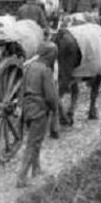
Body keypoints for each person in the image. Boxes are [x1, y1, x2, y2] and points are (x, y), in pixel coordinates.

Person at [17, 42, 60, 188]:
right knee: (33, 143)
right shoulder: (45, 71)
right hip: (39, 110)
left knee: (36, 140)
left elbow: (21, 89)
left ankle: (36, 168)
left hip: (28, 109)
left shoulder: (29, 67)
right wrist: (55, 108)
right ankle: (22, 177)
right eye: (54, 55)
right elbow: (50, 96)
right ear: (50, 56)